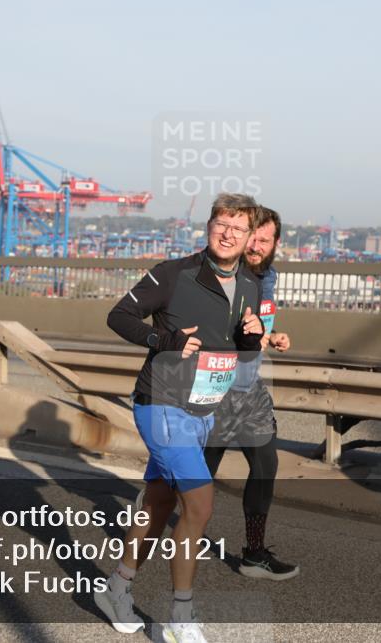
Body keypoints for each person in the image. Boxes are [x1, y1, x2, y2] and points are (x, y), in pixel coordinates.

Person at [97, 193, 265, 642]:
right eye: (221, 224)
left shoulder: (250, 285)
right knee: (200, 505)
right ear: (209, 227)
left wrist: (254, 337)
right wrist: (164, 339)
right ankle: (179, 620)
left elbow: (240, 351)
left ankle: (117, 588)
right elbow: (118, 315)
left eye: (238, 227)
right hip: (161, 404)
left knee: (158, 502)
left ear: (250, 237)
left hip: (203, 411)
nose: (229, 234)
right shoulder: (175, 273)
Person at [203, 207, 300, 580]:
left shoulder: (269, 277)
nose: (256, 246)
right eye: (252, 238)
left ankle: (253, 554)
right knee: (198, 474)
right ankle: (154, 513)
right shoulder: (225, 274)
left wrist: (270, 337)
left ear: (276, 243)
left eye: (264, 239)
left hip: (249, 389)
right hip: (215, 388)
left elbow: (258, 326)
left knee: (265, 466)